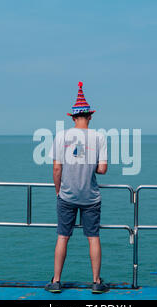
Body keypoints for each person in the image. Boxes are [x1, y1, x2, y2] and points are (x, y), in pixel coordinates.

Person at [45, 82, 109, 294]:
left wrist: (58, 191)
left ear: (72, 117)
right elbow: (102, 170)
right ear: (90, 116)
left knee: (63, 236)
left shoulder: (62, 136)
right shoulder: (99, 137)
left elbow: (56, 169)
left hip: (67, 196)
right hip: (91, 197)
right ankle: (96, 281)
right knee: (93, 238)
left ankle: (56, 281)